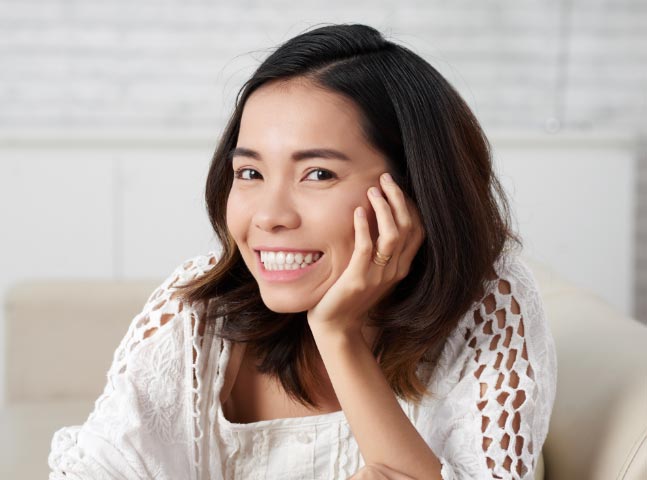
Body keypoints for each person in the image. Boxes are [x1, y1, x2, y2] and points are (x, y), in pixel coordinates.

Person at [48, 23, 557, 480]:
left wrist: (339, 335)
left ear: (415, 188)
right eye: (250, 172)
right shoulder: (200, 308)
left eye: (318, 174)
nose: (270, 215)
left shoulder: (488, 304)